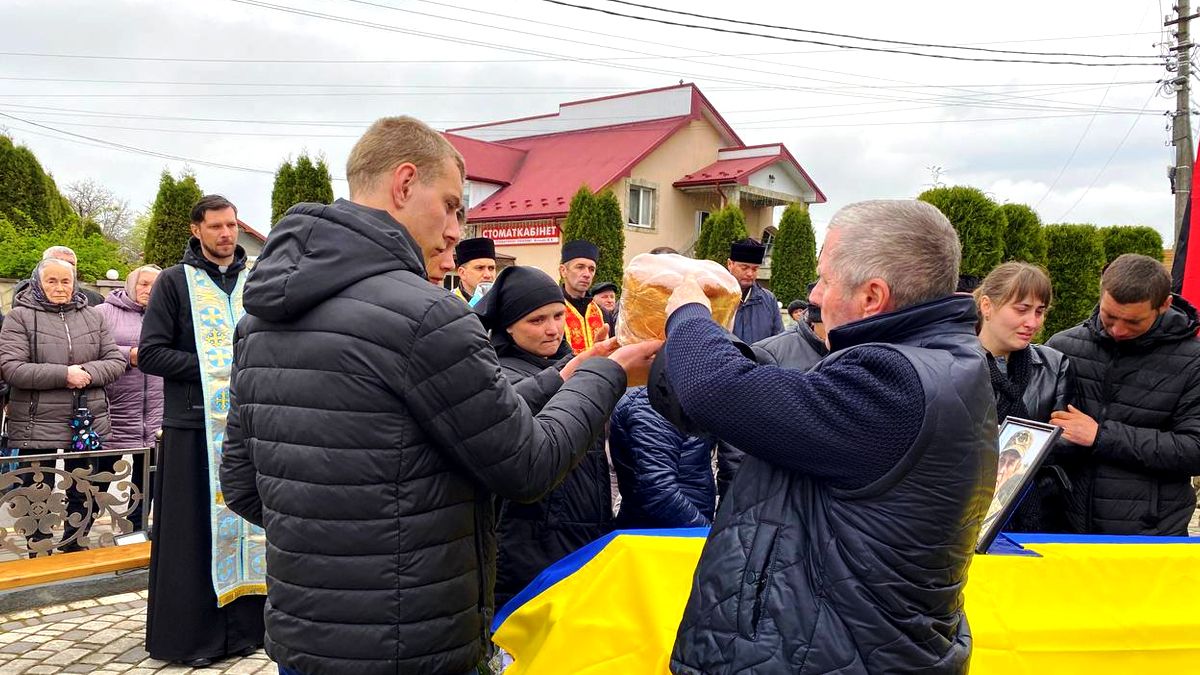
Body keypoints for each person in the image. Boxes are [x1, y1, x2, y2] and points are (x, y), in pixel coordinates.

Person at [217, 116, 659, 675]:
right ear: (404, 184)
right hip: (412, 638)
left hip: (306, 637)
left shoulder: (258, 321)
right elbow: (527, 465)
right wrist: (607, 375)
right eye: (451, 206)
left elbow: (242, 484)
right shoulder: (427, 315)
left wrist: (562, 378)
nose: (455, 231)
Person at [655, 200, 996, 674]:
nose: (814, 295)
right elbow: (771, 404)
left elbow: (719, 390)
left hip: (830, 655)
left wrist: (689, 315)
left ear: (873, 296)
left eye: (825, 280)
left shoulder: (897, 381)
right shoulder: (937, 361)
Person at [138, 195, 264, 667]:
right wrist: (216, 367)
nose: (227, 234)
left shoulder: (255, 279)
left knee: (252, 523)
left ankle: (251, 629)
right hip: (193, 427)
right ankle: (195, 637)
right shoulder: (175, 282)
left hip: (249, 425)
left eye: (231, 225)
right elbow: (151, 353)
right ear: (196, 230)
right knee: (193, 536)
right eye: (216, 226)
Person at [474, 265, 616, 610]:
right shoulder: (495, 374)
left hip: (584, 529)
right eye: (536, 320)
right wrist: (573, 371)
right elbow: (509, 410)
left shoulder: (568, 361)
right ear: (508, 325)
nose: (552, 329)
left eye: (558, 315)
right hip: (529, 541)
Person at [1046, 253, 1200, 536]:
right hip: (1064, 531)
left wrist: (1101, 436)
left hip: (1151, 536)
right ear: (1101, 293)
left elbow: (1194, 449)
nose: (1118, 330)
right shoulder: (1062, 346)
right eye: (1109, 317)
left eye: (1133, 322)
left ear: (1164, 305)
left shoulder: (1193, 362)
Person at [0, 258, 125, 554]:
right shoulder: (19, 317)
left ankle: (74, 544)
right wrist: (64, 375)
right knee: (37, 491)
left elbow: (115, 361)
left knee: (83, 487)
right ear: (38, 283)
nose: (60, 287)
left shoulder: (92, 316)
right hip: (35, 422)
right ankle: (39, 550)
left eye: (66, 281)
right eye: (52, 281)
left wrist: (87, 373)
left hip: (84, 422)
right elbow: (12, 368)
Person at [974, 262, 1074, 532]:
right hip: (964, 509)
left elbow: (1067, 442)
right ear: (987, 306)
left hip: (1036, 512)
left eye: (1040, 311)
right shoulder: (951, 362)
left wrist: (1016, 444)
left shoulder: (1054, 365)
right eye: (1021, 309)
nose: (1032, 322)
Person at [94, 264, 164, 530]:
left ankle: (136, 529)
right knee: (99, 477)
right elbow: (91, 349)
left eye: (155, 285)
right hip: (114, 412)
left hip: (155, 415)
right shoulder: (103, 312)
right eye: (143, 284)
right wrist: (128, 355)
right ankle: (77, 534)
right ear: (131, 284)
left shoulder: (168, 313)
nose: (149, 290)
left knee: (148, 480)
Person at [727, 238, 783, 345]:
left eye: (755, 269)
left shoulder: (768, 300)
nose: (750, 274)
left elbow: (778, 342)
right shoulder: (716, 297)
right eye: (744, 268)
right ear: (730, 264)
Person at [559, 239, 609, 353]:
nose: (587, 274)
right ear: (563, 271)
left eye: (592, 269)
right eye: (580, 267)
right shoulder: (553, 311)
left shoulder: (603, 313)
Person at [12, 246, 106, 307]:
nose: (66, 267)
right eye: (59, 261)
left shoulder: (95, 300)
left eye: (71, 263)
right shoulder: (25, 298)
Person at [453, 236, 497, 303]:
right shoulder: (448, 303)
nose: (487, 275)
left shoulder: (504, 302)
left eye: (491, 268)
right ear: (462, 273)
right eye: (480, 268)